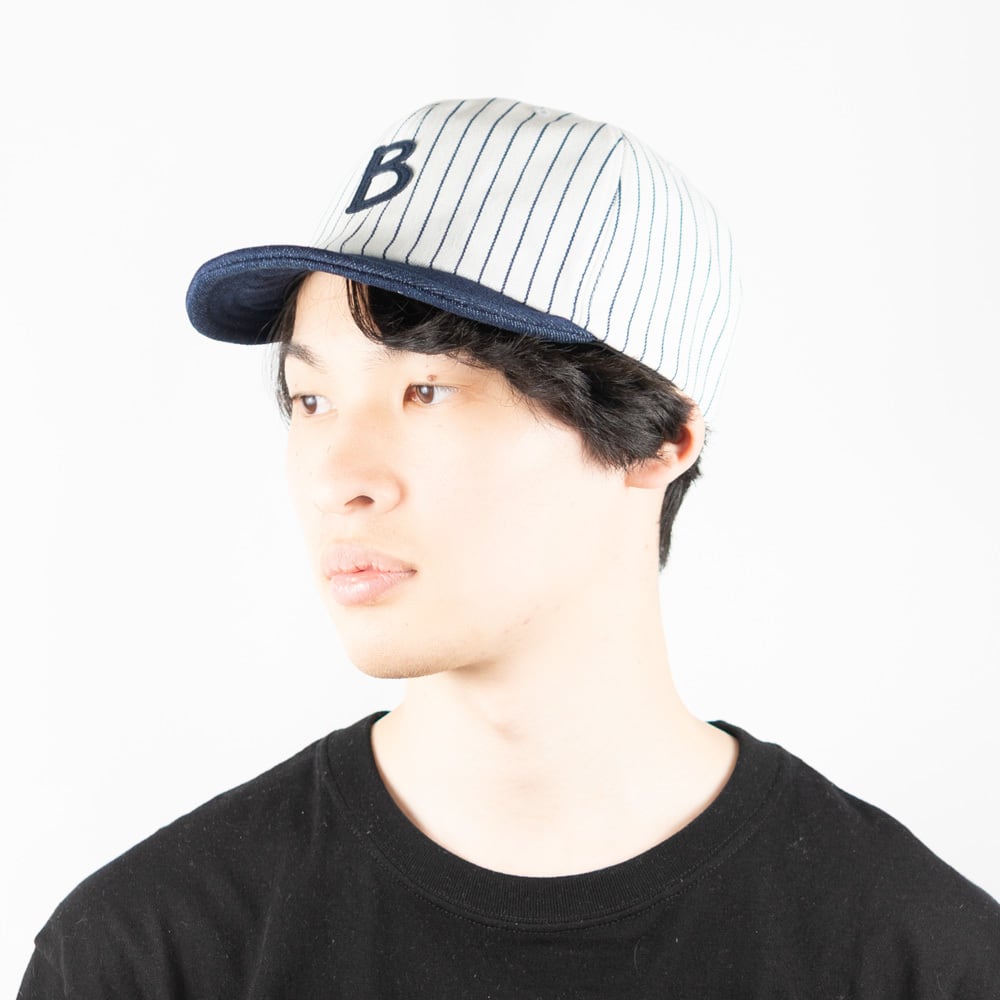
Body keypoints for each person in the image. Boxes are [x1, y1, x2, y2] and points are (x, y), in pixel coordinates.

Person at [18, 97, 999, 998]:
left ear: (658, 437)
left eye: (427, 389)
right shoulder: (146, 955)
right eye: (310, 399)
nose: (336, 476)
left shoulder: (921, 960)